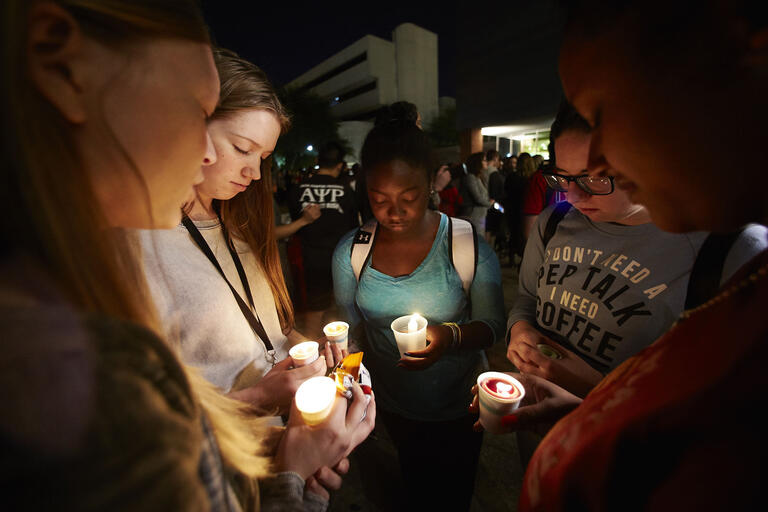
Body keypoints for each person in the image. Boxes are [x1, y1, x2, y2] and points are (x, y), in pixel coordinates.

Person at [0, 2, 375, 511]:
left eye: (263, 158)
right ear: (63, 68)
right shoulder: (65, 357)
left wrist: (281, 455)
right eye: (197, 113)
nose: (207, 154)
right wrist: (285, 467)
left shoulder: (236, 228)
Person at [471, 1, 768, 509]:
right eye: (564, 177)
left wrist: (595, 400)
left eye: (604, 113)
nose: (601, 159)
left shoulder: (738, 263)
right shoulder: (559, 221)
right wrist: (589, 415)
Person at [506, 100, 766, 398]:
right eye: (563, 176)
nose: (573, 196)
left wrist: (597, 389)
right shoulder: (555, 221)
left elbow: (730, 401)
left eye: (595, 177)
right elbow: (528, 297)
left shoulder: (732, 252)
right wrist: (520, 328)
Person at [332, 120, 505, 511]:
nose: (394, 211)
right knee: (412, 482)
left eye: (408, 195)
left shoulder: (464, 244)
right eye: (378, 198)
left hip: (460, 404)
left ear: (430, 183)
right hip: (392, 405)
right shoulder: (352, 251)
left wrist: (449, 337)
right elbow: (349, 328)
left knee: (454, 491)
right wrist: (342, 367)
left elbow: (494, 325)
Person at [289, 141, 359, 338]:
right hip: (343, 258)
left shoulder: (299, 188)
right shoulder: (346, 190)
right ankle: (345, 346)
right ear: (340, 165)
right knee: (344, 306)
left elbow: (295, 221)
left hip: (311, 257)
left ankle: (311, 347)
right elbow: (354, 226)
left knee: (315, 307)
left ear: (318, 162)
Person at [459, 151, 495, 236]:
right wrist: (490, 203)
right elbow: (477, 198)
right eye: (484, 160)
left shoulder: (478, 177)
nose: (486, 162)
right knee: (476, 238)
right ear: (477, 163)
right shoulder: (470, 178)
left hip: (480, 215)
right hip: (473, 215)